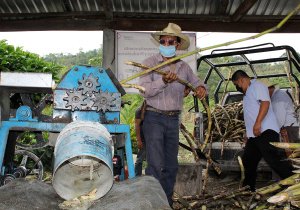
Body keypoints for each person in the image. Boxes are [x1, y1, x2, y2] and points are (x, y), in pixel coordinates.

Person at [139, 23, 206, 206]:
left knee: (171, 166)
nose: (166, 44)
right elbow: (144, 91)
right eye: (163, 41)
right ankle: (153, 204)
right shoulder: (149, 64)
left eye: (170, 41)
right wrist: (162, 80)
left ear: (177, 44)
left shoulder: (184, 67)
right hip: (154, 118)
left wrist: (200, 88)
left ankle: (166, 203)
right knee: (155, 165)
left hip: (173, 120)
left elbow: (197, 82)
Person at [231, 70, 294, 192]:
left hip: (266, 131)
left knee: (274, 160)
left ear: (241, 80)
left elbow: (265, 104)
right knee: (248, 160)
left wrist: (258, 123)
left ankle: (294, 182)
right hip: (255, 135)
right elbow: (251, 114)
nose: (237, 87)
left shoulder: (257, 86)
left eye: (237, 84)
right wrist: (248, 132)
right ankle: (248, 189)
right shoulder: (248, 92)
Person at [134, 105, 146, 176]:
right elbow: (137, 125)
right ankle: (137, 177)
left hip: (153, 139)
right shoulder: (139, 111)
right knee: (139, 160)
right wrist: (139, 140)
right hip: (143, 139)